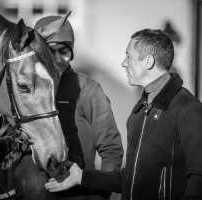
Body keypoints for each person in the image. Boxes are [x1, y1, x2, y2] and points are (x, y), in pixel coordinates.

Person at [45, 29, 202, 200]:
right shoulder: (139, 112)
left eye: (129, 56)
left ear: (148, 61)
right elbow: (129, 179)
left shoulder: (188, 108)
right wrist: (81, 177)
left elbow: (199, 176)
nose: (123, 63)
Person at [31, 13, 123, 200]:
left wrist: (100, 192)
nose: (57, 58)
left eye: (64, 51)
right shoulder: (25, 90)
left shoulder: (88, 89)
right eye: (51, 50)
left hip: (78, 195)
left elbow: (111, 149)